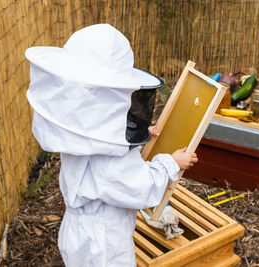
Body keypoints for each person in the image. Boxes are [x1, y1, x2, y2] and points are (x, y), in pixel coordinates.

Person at [25, 24, 198, 266]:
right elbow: (142, 187)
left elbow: (102, 126)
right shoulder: (111, 160)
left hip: (78, 234)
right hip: (103, 245)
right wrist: (171, 162)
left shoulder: (79, 137)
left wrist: (136, 136)